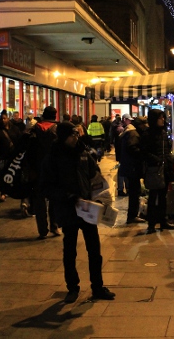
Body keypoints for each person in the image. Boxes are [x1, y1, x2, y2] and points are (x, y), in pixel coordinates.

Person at [40, 122, 115, 303]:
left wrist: (99, 196)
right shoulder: (53, 157)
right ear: (63, 136)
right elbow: (46, 187)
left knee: (94, 250)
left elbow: (95, 176)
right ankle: (72, 287)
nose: (75, 137)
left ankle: (97, 286)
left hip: (87, 208)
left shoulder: (84, 153)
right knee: (70, 251)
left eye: (76, 134)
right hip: (68, 209)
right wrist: (67, 196)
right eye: (71, 135)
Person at [27, 106, 61, 239]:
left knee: (39, 200)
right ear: (55, 115)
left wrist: (31, 168)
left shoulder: (35, 129)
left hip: (37, 169)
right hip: (54, 169)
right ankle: (55, 225)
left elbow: (29, 151)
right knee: (54, 199)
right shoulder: (58, 129)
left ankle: (42, 230)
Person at [141, 109, 174, 234]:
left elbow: (166, 150)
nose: (163, 120)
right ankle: (151, 223)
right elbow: (144, 152)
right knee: (153, 197)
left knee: (163, 196)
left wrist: (170, 159)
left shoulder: (163, 132)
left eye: (163, 117)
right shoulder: (148, 134)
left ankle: (163, 221)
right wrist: (156, 160)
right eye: (160, 118)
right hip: (154, 169)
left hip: (164, 168)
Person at [119, 115, 147, 224]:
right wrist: (142, 153)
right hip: (132, 167)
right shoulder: (133, 134)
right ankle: (132, 216)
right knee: (135, 192)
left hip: (130, 167)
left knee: (135, 191)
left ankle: (132, 215)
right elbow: (133, 149)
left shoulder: (130, 131)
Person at [0, 110, 20, 202]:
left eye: (4, 118)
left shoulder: (15, 129)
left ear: (8, 118)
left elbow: (19, 141)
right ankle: (3, 192)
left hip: (13, 156)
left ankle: (12, 190)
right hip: (2, 156)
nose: (3, 120)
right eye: (1, 118)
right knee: (1, 174)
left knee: (13, 173)